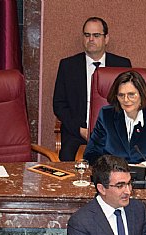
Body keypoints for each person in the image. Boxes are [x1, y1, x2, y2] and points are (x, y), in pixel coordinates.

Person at [53, 17, 132, 161]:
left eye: (96, 35)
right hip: (77, 133)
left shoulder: (122, 65)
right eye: (87, 35)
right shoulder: (68, 66)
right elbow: (59, 104)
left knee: (121, 163)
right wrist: (80, 130)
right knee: (67, 160)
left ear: (106, 38)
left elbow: (129, 102)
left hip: (112, 133)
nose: (91, 39)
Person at [84, 70, 146, 173]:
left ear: (141, 94)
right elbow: (91, 153)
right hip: (113, 176)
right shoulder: (106, 115)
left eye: (131, 94)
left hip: (145, 176)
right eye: (121, 95)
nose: (126, 100)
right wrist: (111, 166)